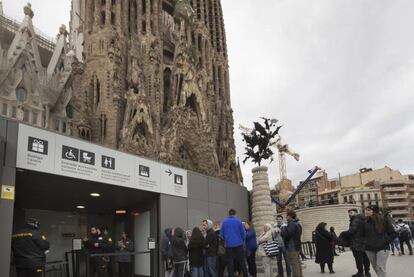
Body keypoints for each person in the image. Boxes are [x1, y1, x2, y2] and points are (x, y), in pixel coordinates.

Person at [363, 205, 397, 277]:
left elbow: (393, 233)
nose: (366, 211)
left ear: (374, 211)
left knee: (380, 268)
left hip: (382, 247)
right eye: (366, 210)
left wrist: (385, 241)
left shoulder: (384, 220)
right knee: (376, 268)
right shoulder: (365, 221)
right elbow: (361, 234)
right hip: (369, 248)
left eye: (368, 210)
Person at [341, 208, 371, 277]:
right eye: (349, 213)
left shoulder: (355, 220)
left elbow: (352, 231)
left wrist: (343, 233)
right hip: (364, 242)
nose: (349, 215)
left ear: (355, 213)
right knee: (365, 258)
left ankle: (360, 273)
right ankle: (367, 272)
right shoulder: (363, 219)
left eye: (351, 213)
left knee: (358, 258)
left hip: (356, 243)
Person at [220, 208, 248, 277]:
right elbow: (243, 234)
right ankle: (245, 275)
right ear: (235, 214)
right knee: (242, 262)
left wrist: (227, 240)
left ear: (229, 214)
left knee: (230, 263)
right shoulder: (238, 221)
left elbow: (221, 234)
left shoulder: (224, 222)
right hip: (239, 244)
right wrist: (241, 240)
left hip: (229, 245)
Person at [281, 210, 303, 277]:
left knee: (294, 263)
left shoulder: (292, 224)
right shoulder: (298, 224)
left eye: (287, 216)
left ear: (290, 216)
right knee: (297, 262)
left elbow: (288, 234)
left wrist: (282, 229)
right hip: (297, 245)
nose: (286, 217)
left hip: (292, 246)